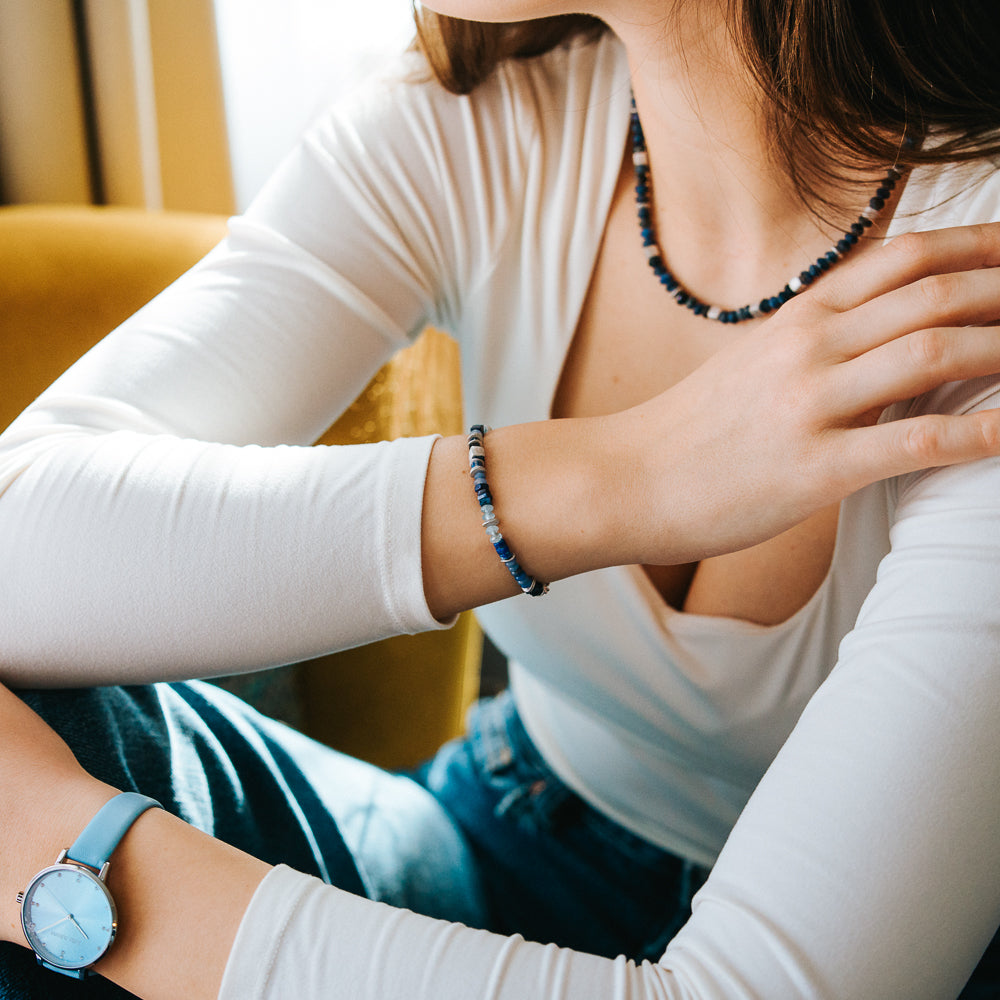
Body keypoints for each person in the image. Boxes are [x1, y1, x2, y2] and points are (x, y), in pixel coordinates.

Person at [2, 0, 1000, 997]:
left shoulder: (978, 279)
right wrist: (628, 473)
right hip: (506, 834)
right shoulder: (482, 121)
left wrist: (72, 863)